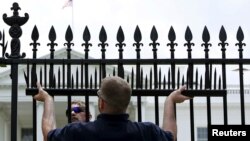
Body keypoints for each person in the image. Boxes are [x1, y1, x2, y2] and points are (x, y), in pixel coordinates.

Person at [34, 76, 192, 141]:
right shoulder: (146, 131)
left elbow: (48, 133)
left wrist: (47, 99)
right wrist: (170, 100)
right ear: (126, 103)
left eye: (77, 110)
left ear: (101, 104)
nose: (73, 114)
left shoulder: (79, 132)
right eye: (71, 112)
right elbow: (171, 136)